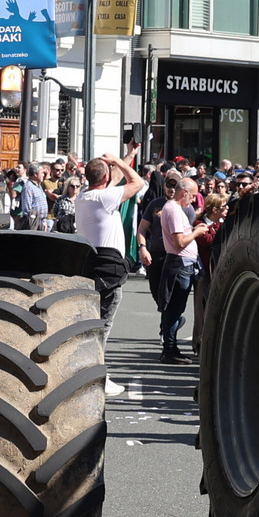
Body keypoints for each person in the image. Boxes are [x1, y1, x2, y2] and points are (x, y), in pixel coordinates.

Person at [71, 153, 146, 399]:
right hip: (108, 268)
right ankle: (96, 375)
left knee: (95, 323)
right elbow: (138, 184)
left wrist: (129, 154)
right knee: (103, 326)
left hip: (92, 263)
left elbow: (111, 181)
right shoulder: (104, 198)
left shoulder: (85, 196)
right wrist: (123, 164)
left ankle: (94, 372)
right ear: (104, 177)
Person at [148, 170, 201, 364]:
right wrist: (197, 233)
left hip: (181, 264)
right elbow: (179, 242)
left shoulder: (173, 209)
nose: (194, 200)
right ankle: (169, 349)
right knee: (174, 310)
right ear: (184, 192)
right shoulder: (174, 210)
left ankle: (171, 348)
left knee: (174, 309)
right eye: (193, 195)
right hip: (179, 264)